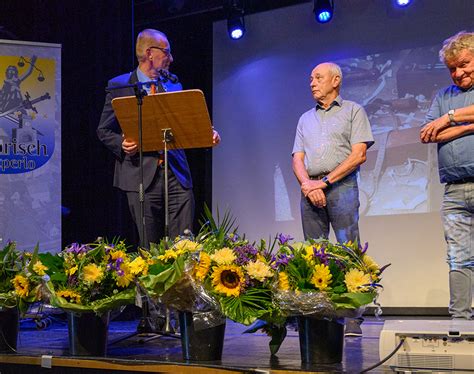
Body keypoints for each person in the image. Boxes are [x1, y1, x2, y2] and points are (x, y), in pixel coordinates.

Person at [97, 29, 220, 248]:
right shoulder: (120, 86)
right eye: (167, 52)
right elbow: (104, 130)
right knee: (149, 247)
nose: (171, 58)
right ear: (149, 53)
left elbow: (185, 124)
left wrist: (205, 132)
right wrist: (122, 144)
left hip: (176, 174)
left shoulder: (173, 84)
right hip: (140, 175)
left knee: (183, 245)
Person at [292, 62, 374, 336]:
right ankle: (320, 312)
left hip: (340, 186)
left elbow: (358, 154)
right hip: (311, 188)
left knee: (347, 250)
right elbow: (297, 158)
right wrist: (307, 184)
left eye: (318, 77)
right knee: (314, 253)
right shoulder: (305, 118)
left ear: (335, 80)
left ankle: (352, 315)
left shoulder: (353, 111)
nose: (312, 82)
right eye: (310, 78)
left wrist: (324, 182)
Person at [420, 31, 474, 320]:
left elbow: (441, 126)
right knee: (458, 258)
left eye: (464, 64)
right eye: (452, 68)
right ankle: (461, 322)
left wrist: (451, 118)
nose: (458, 73)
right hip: (454, 191)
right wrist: (469, 125)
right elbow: (428, 134)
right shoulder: (443, 96)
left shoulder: (447, 109)